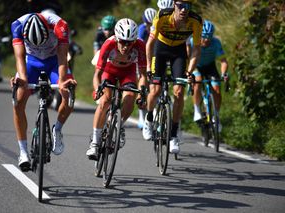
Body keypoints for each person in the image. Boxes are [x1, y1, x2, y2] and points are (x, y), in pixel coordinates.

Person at [11, 13, 77, 171]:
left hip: (54, 61)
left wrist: (61, 81)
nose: (40, 45)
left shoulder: (60, 25)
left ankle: (58, 130)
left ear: (48, 30)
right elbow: (20, 57)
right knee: (18, 101)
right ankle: (23, 152)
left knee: (68, 96)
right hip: (31, 61)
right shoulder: (17, 26)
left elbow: (62, 56)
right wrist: (23, 80)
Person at [142, 0, 202, 154]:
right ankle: (149, 119)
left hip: (178, 53)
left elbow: (196, 49)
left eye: (187, 6)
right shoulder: (162, 16)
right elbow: (149, 44)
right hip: (160, 50)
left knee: (179, 92)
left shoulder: (195, 21)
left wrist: (190, 71)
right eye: (181, 6)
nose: (184, 10)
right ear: (175, 5)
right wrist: (148, 67)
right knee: (155, 90)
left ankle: (173, 134)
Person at [86, 18, 148, 160]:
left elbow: (143, 75)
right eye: (123, 42)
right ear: (117, 38)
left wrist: (142, 93)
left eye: (129, 43)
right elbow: (98, 74)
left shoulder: (140, 45)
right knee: (105, 101)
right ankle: (95, 142)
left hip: (128, 72)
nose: (126, 46)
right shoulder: (109, 43)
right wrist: (97, 90)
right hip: (110, 70)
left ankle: (118, 125)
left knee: (131, 96)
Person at [187, 20, 228, 129]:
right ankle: (197, 110)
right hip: (196, 66)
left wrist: (224, 74)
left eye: (209, 37)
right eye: (204, 36)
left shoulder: (216, 43)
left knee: (217, 90)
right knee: (198, 80)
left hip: (210, 66)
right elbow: (188, 59)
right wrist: (188, 73)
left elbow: (223, 61)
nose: (206, 40)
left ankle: (216, 116)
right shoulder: (192, 41)